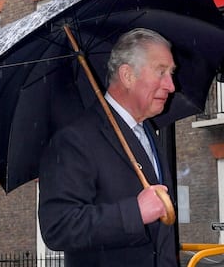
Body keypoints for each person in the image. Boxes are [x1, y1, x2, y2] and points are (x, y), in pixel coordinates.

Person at [38, 28, 179, 267]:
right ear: (127, 76)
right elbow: (58, 226)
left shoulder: (148, 133)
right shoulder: (74, 139)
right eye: (161, 72)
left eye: (171, 73)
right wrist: (134, 212)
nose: (171, 85)